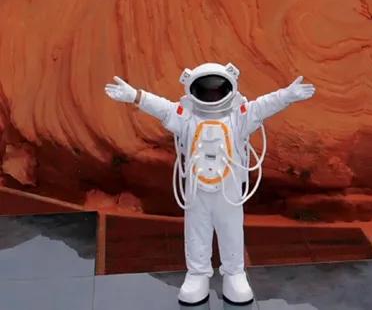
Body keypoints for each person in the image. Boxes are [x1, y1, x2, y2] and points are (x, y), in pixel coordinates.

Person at [105, 62, 315, 306]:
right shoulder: (185, 117)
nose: (212, 95)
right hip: (197, 193)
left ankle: (235, 273)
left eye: (217, 90)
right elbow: (162, 108)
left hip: (230, 192)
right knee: (196, 232)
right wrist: (135, 96)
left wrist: (286, 96)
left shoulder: (239, 117)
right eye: (205, 90)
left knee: (232, 232)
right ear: (192, 90)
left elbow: (263, 106)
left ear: (230, 88)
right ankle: (197, 274)